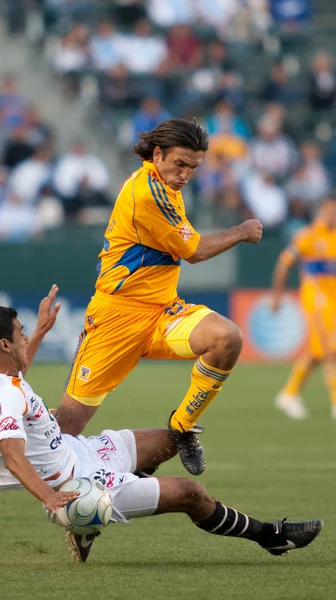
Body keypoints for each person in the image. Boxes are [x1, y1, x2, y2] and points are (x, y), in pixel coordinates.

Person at [0, 287, 323, 564]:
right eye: (21, 333)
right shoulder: (3, 395)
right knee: (190, 493)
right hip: (77, 486)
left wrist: (39, 330)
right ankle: (270, 536)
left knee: (172, 440)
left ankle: (4, 483)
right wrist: (51, 498)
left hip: (76, 451)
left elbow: (14, 375)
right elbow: (12, 453)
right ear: (6, 343)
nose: (26, 337)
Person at [56, 119, 263, 477]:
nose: (185, 174)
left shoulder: (166, 185)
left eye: (193, 168)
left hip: (163, 312)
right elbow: (194, 250)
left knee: (226, 337)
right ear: (158, 154)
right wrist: (242, 231)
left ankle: (182, 427)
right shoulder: (147, 193)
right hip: (116, 318)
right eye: (179, 164)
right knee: (63, 432)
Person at [271, 196, 336, 419]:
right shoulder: (308, 236)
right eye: (330, 211)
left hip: (333, 302)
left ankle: (289, 393)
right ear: (321, 211)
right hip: (317, 301)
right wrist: (277, 296)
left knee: (318, 352)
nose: (333, 215)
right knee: (330, 350)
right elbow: (284, 263)